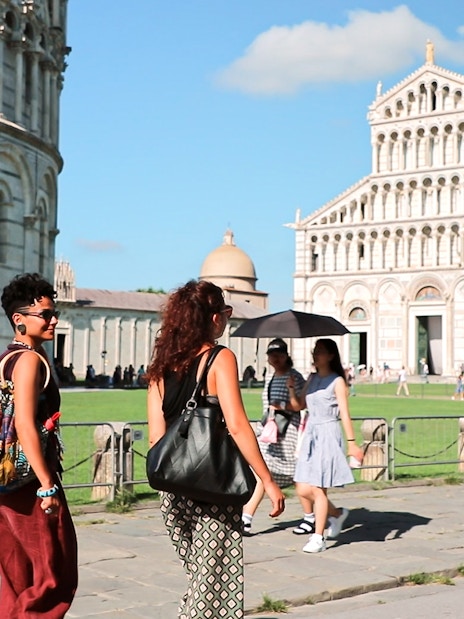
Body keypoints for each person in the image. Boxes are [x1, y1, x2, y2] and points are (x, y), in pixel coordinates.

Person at [146, 280, 285, 619]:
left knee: (201, 578)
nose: (227, 318)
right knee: (213, 583)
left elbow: (155, 437)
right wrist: (267, 480)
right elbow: (237, 425)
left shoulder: (162, 363)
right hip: (212, 484)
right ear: (210, 318)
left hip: (171, 487)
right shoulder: (220, 358)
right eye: (225, 312)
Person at [0, 273, 78, 617]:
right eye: (45, 314)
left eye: (53, 311)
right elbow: (24, 425)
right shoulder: (30, 360)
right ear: (19, 319)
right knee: (53, 572)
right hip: (29, 482)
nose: (54, 320)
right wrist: (47, 486)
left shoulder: (6, 359)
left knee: (14, 573)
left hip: (5, 481)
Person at [288, 338, 364, 553]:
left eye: (320, 352)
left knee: (318, 487)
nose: (315, 355)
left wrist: (352, 444)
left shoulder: (337, 381)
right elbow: (299, 405)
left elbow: (345, 414)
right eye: (315, 351)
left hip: (328, 432)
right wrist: (293, 389)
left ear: (331, 356)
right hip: (311, 432)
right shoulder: (311, 378)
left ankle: (318, 537)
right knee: (302, 488)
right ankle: (338, 515)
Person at [242, 338, 306, 536]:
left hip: (288, 433)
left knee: (299, 478)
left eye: (279, 355)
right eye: (272, 355)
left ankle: (320, 514)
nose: (275, 359)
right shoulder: (270, 377)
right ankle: (246, 517)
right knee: (263, 474)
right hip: (270, 433)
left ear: (286, 355)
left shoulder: (294, 377)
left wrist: (289, 394)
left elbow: (300, 405)